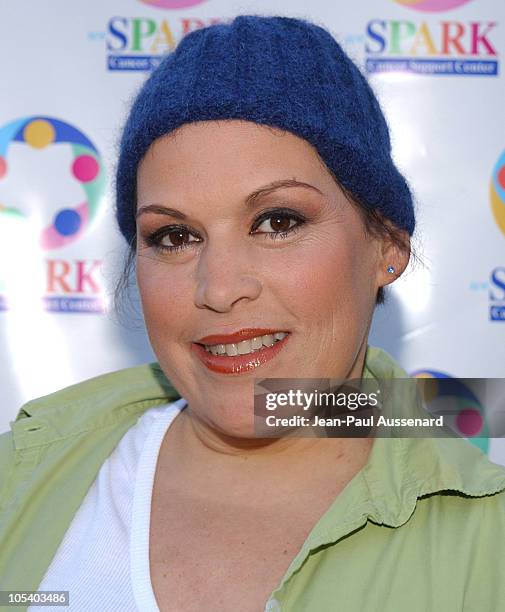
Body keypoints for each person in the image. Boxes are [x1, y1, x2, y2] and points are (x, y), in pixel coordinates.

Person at [1, 14, 505, 612]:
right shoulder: (17, 479)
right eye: (174, 236)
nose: (219, 288)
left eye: (278, 222)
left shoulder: (488, 544)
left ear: (387, 247)